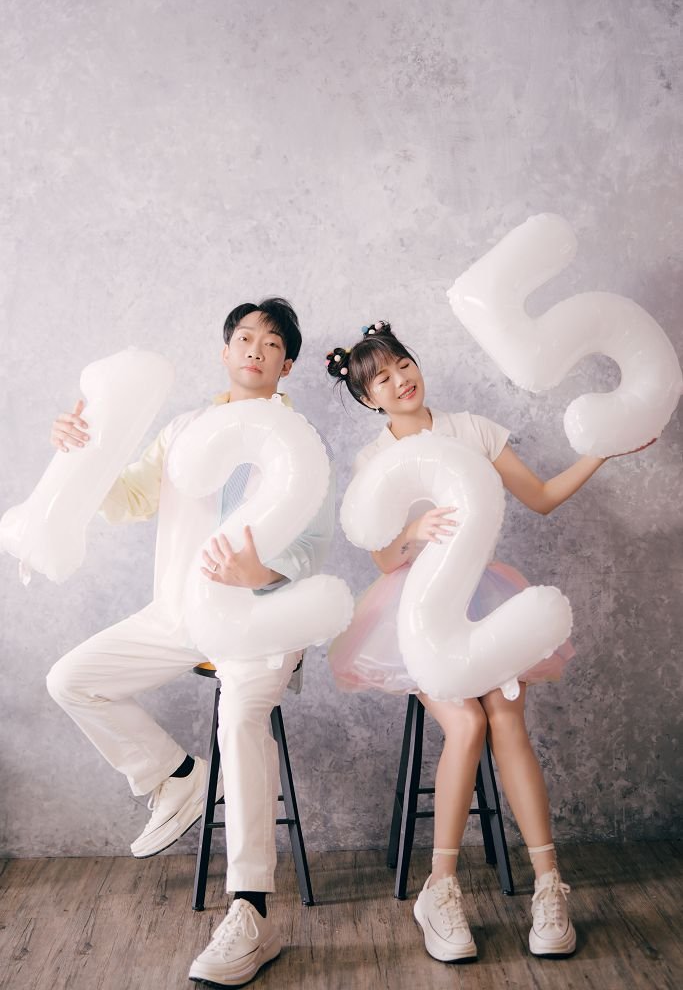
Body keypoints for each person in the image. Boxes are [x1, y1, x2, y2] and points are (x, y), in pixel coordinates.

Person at [326, 320, 650, 963]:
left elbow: (542, 497)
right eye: (382, 379)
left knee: (505, 715)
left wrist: (603, 453)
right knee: (467, 723)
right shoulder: (374, 460)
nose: (400, 380)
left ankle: (549, 886)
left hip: (484, 597)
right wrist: (414, 532)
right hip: (416, 613)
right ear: (368, 399)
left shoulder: (472, 430)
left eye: (403, 364)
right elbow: (383, 559)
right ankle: (440, 889)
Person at [46, 298, 335, 988]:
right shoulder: (183, 431)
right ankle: (177, 777)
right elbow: (126, 499)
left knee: (240, 719)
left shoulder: (299, 441)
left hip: (262, 620)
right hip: (178, 616)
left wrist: (260, 574)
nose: (255, 349)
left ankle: (250, 912)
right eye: (244, 337)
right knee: (71, 679)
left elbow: (313, 546)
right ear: (225, 351)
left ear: (287, 365)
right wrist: (79, 455)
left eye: (272, 343)